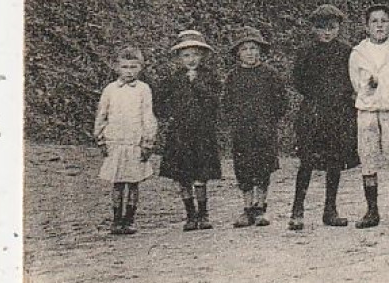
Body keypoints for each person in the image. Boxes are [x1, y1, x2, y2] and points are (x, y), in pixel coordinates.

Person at [289, 4, 361, 229]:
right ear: (314, 29)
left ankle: (330, 209)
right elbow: (298, 80)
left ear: (339, 27)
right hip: (313, 112)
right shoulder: (306, 52)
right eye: (321, 28)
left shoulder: (347, 51)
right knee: (307, 161)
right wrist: (316, 96)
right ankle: (297, 210)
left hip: (338, 113)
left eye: (331, 27)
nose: (327, 32)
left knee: (334, 161)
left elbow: (352, 79)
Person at [350, 3, 389, 229]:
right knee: (368, 160)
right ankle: (372, 211)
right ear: (366, 26)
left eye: (384, 21)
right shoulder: (358, 53)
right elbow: (356, 84)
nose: (379, 25)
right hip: (367, 113)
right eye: (374, 21)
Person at [154, 29, 222, 231]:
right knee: (183, 176)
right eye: (186, 55)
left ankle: (203, 213)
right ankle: (190, 215)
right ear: (178, 58)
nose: (191, 59)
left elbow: (216, 101)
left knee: (201, 175)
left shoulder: (209, 78)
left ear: (202, 56)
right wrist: (171, 114)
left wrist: (198, 85)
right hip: (180, 133)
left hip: (202, 132)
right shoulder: (173, 80)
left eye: (195, 54)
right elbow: (158, 103)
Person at [223, 27, 285, 228]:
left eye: (253, 48)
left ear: (260, 51)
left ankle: (260, 207)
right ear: (238, 53)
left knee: (262, 167)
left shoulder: (270, 74)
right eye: (245, 49)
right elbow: (226, 103)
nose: (250, 52)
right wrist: (235, 120)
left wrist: (270, 120)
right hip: (242, 131)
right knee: (244, 168)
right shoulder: (233, 77)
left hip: (264, 130)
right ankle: (247, 207)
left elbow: (281, 101)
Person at [94, 45, 158, 235]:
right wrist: (100, 138)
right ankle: (116, 219)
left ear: (140, 68)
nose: (129, 71)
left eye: (133, 67)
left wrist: (148, 142)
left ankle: (129, 219)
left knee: (133, 182)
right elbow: (102, 114)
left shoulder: (144, 90)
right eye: (125, 67)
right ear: (116, 67)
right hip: (115, 142)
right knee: (117, 182)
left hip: (134, 142)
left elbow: (148, 116)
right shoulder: (110, 89)